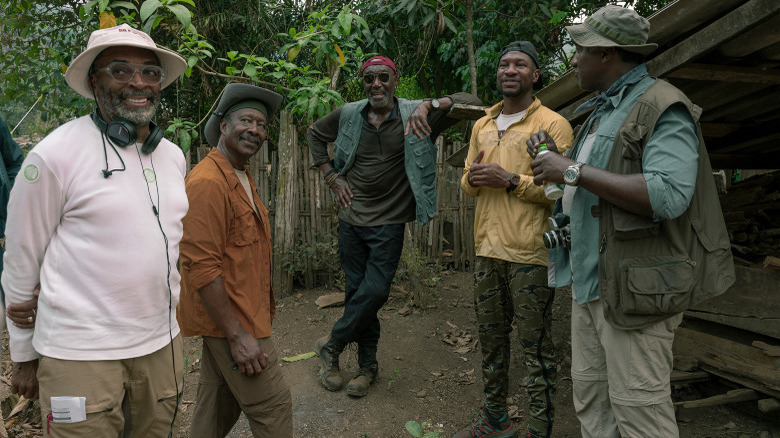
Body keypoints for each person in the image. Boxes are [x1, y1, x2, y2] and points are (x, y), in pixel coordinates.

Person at [527, 6, 734, 438]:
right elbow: (588, 184)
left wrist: (570, 169)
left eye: (581, 50)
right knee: (592, 403)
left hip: (634, 293)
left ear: (606, 54)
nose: (574, 59)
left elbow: (667, 194)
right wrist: (560, 165)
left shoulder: (663, 104)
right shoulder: (602, 110)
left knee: (639, 412)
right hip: (592, 284)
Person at [2, 23, 188, 436]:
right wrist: (23, 353)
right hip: (78, 353)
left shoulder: (173, 157)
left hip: (163, 344)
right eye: (120, 70)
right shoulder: (53, 156)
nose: (138, 82)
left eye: (150, 72)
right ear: (93, 81)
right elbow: (20, 258)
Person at [307, 56, 482, 397]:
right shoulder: (348, 115)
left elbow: (474, 103)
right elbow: (314, 134)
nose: (376, 84)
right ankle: (367, 368)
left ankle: (333, 344)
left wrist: (431, 104)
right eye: (369, 78)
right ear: (363, 83)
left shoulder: (418, 113)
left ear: (394, 79)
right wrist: (331, 177)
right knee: (360, 295)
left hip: (388, 222)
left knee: (376, 291)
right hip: (351, 221)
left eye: (383, 77)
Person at [453, 41, 573, 438]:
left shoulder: (553, 125)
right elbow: (468, 182)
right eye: (504, 64)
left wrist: (509, 181)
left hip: (531, 254)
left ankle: (539, 430)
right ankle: (495, 420)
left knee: (536, 349)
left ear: (534, 75)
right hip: (486, 250)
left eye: (520, 64)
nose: (510, 70)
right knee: (491, 343)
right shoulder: (482, 125)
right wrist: (472, 178)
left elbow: (558, 191)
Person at [177, 83, 293, 437]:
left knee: (216, 408)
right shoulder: (208, 182)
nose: (255, 130)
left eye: (261, 125)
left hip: (238, 314)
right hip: (233, 321)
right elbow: (202, 266)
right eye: (246, 120)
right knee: (274, 408)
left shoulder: (240, 173)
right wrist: (238, 336)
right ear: (223, 126)